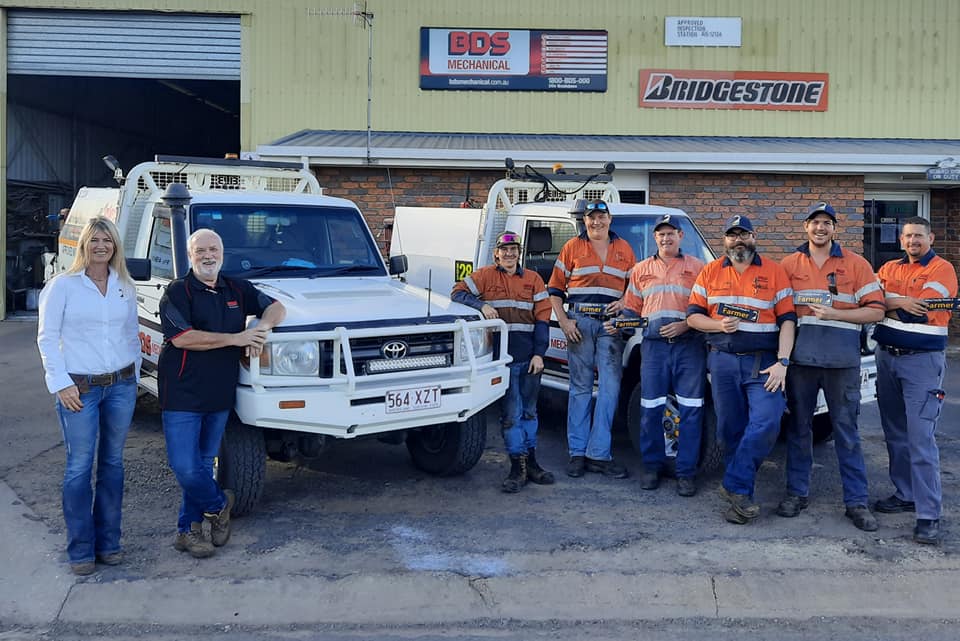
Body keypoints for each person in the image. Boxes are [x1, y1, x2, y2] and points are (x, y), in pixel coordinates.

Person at [158, 228, 286, 558]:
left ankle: (188, 530)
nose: (207, 255)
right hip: (182, 393)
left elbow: (275, 307)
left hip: (219, 393)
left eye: (213, 249)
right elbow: (183, 337)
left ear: (222, 252)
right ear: (190, 255)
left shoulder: (235, 287)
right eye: (200, 250)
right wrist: (236, 339)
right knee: (185, 466)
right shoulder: (177, 291)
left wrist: (261, 328)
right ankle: (218, 504)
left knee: (202, 463)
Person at [37, 216, 140, 575]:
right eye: (94, 240)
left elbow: (131, 334)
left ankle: (109, 543)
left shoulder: (124, 285)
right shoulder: (63, 286)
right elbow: (47, 338)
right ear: (84, 245)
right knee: (80, 466)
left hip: (121, 387)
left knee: (112, 464)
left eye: (107, 241)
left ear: (115, 247)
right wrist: (60, 383)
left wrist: (134, 378)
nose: (101, 246)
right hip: (79, 388)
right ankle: (81, 549)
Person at [776, 202, 885, 531]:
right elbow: (782, 314)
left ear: (834, 229)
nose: (820, 228)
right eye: (815, 222)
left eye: (826, 223)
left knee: (847, 435)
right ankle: (797, 493)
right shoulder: (789, 264)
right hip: (802, 364)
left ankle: (856, 502)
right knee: (799, 432)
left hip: (842, 365)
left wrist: (836, 314)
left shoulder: (856, 264)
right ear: (805, 228)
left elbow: (876, 310)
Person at [687, 215, 796, 524]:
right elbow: (693, 316)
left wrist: (784, 362)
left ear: (753, 236)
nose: (738, 240)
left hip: (763, 365)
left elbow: (788, 319)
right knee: (729, 430)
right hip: (722, 361)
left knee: (766, 421)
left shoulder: (774, 271)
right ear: (725, 241)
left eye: (743, 234)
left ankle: (733, 483)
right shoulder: (709, 272)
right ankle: (741, 499)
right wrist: (717, 324)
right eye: (732, 236)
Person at [873, 216, 958, 545]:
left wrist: (888, 305)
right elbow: (869, 303)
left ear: (931, 237)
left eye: (919, 236)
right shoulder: (889, 268)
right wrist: (892, 304)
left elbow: (917, 311)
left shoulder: (942, 270)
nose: (913, 241)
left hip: (921, 363)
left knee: (921, 440)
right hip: (887, 359)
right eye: (908, 236)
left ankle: (928, 514)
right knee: (895, 434)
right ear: (901, 239)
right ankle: (905, 493)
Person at [452, 230, 553, 492]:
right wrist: (480, 305)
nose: (509, 254)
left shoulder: (533, 280)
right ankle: (516, 467)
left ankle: (532, 463)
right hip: (501, 361)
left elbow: (543, 319)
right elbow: (457, 292)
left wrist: (540, 354)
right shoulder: (485, 276)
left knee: (530, 412)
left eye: (514, 249)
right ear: (496, 253)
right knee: (511, 415)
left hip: (530, 359)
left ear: (520, 253)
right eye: (504, 250)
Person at [615, 214, 705, 496]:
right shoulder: (640, 269)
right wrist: (619, 322)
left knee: (691, 411)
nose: (666, 239)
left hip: (689, 346)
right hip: (653, 348)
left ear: (681, 236)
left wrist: (685, 325)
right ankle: (652, 466)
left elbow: (705, 307)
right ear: (655, 238)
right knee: (650, 409)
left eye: (671, 234)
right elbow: (631, 308)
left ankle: (686, 473)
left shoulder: (699, 268)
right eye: (660, 234)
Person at [548, 199, 636, 479]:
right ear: (584, 221)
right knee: (580, 389)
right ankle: (577, 453)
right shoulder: (572, 247)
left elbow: (634, 289)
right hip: (580, 323)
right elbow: (554, 290)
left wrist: (623, 303)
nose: (596, 222)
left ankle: (599, 454)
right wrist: (563, 321)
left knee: (610, 390)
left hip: (611, 327)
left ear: (610, 219)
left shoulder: (624, 249)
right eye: (591, 218)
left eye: (601, 217)